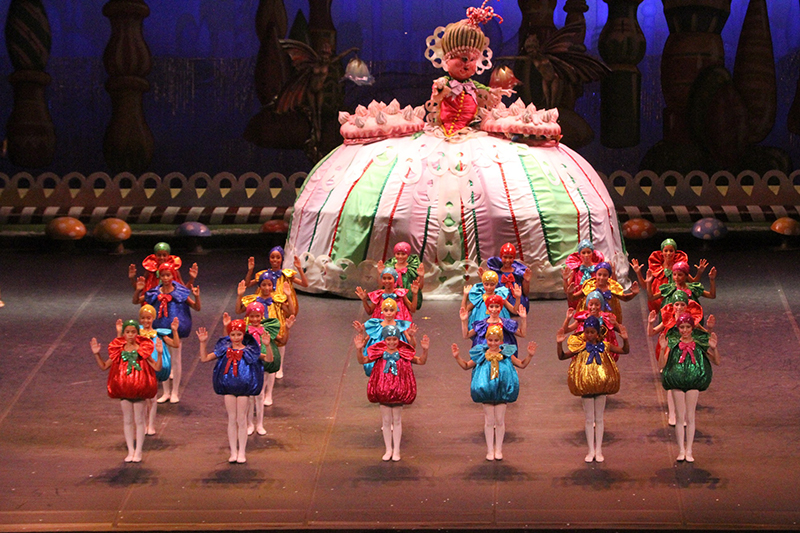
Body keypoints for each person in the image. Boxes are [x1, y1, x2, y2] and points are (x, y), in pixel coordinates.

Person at [451, 326, 536, 460]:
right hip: (487, 390)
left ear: (501, 341)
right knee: (489, 421)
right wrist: (457, 357)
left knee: (500, 421)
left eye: (496, 340)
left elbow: (521, 364)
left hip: (502, 390)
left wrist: (529, 356)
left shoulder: (507, 354)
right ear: (486, 340)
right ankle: (490, 450)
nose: (493, 343)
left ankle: (499, 449)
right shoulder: (481, 354)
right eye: (490, 340)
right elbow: (467, 366)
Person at [557, 316, 629, 462]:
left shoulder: (606, 346)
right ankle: (590, 450)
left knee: (599, 418)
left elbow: (624, 351)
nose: (589, 335)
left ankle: (599, 450)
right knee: (589, 419)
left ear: (597, 333)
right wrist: (559, 344)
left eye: (592, 332)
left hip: (601, 387)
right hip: (586, 387)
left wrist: (625, 339)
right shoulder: (580, 347)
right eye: (587, 332)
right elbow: (562, 356)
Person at [90, 320, 163, 462]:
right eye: (127, 332)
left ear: (137, 333)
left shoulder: (143, 350)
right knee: (128, 420)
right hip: (124, 391)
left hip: (139, 390)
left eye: (133, 332)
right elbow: (105, 366)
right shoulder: (119, 350)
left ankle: (139, 451)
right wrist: (96, 354)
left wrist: (159, 354)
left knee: (140, 420)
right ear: (124, 333)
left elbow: (157, 368)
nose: (130, 335)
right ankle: (130, 450)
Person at [353, 327, 429, 461]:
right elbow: (362, 361)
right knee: (386, 421)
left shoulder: (404, 352)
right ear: (385, 339)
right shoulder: (379, 352)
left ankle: (397, 450)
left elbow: (420, 361)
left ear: (398, 339)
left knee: (397, 420)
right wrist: (359, 349)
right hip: (384, 390)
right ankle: (388, 449)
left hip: (398, 391)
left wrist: (425, 350)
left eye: (394, 339)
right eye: (389, 339)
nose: (392, 342)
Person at [197, 319, 266, 464]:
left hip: (243, 389)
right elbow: (204, 358)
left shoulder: (249, 351)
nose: (236, 338)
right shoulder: (224, 349)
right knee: (231, 419)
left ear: (243, 334)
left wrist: (267, 346)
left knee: (241, 419)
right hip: (228, 387)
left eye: (239, 334)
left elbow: (269, 359)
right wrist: (203, 343)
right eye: (233, 334)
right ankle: (233, 452)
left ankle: (242, 452)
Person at [657, 313, 720, 462]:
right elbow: (661, 364)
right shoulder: (672, 343)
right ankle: (681, 450)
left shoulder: (699, 343)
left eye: (687, 327)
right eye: (682, 327)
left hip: (693, 381)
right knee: (679, 417)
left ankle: (689, 450)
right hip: (677, 381)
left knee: (690, 416)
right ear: (678, 328)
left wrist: (714, 349)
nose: (685, 330)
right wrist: (662, 349)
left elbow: (716, 361)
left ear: (692, 328)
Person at [134, 264, 201, 404]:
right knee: (163, 361)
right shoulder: (154, 293)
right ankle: (165, 392)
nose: (165, 278)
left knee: (176, 360)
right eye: (163, 275)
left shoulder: (180, 292)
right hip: (159, 331)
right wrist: (138, 290)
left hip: (175, 331)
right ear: (159, 276)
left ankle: (175, 392)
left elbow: (196, 307)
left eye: (168, 275)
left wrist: (197, 297)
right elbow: (136, 301)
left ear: (173, 276)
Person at [116, 308, 179, 435]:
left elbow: (175, 344)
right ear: (140, 319)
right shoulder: (136, 334)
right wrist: (119, 332)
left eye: (148, 318)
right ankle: (142, 424)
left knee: (152, 398)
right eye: (143, 318)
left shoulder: (158, 334)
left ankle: (151, 424)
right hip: (139, 369)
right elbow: (120, 344)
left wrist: (175, 331)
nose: (146, 321)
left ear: (153, 319)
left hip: (153, 367)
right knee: (142, 399)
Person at [237, 273, 295, 380]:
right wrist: (240, 295)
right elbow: (238, 310)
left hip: (271, 329)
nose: (266, 288)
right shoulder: (252, 300)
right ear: (259, 285)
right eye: (263, 285)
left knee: (273, 354)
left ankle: (277, 370)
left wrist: (288, 296)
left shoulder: (277, 299)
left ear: (273, 286)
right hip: (255, 332)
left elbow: (291, 312)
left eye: (269, 285)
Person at [630, 239, 706, 313]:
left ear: (675, 252)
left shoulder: (679, 268)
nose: (668, 253)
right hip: (659, 299)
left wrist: (699, 272)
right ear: (661, 253)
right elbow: (644, 285)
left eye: (671, 251)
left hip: (676, 299)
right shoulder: (656, 268)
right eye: (666, 251)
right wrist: (638, 272)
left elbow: (693, 282)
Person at [353, 298, 416, 377]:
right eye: (386, 310)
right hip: (378, 360)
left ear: (396, 311)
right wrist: (361, 332)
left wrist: (412, 336)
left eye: (391, 310)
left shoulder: (400, 326)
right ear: (382, 311)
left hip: (397, 359)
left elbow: (412, 345)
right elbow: (365, 344)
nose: (389, 313)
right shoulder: (376, 326)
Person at [244, 246, 309, 316]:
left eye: (278, 257)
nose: (275, 260)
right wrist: (250, 270)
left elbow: (304, 284)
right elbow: (248, 284)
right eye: (272, 257)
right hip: (266, 300)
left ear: (282, 259)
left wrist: (299, 268)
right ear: (269, 259)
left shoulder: (286, 274)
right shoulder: (264, 274)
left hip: (281, 304)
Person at [569, 262, 638, 324]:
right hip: (591, 318)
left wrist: (634, 294)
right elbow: (573, 298)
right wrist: (569, 293)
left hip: (607, 319)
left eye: (605, 275)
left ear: (609, 276)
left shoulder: (612, 287)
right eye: (599, 274)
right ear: (595, 274)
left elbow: (624, 298)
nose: (601, 278)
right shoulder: (589, 286)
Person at [461, 294, 526, 347]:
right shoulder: (482, 325)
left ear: (501, 307)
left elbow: (522, 334)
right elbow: (466, 335)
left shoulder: (506, 324)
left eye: (497, 306)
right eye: (491, 306)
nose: (494, 309)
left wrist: (523, 318)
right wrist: (464, 321)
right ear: (487, 308)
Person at [129, 242, 198, 292]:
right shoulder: (150, 270)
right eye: (159, 255)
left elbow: (184, 289)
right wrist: (132, 278)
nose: (162, 258)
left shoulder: (174, 270)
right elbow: (139, 289)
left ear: (168, 256)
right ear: (155, 256)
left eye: (164, 255)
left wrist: (192, 278)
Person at [378, 242, 425, 310]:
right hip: (391, 299)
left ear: (408, 254)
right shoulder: (390, 267)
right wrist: (380, 274)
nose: (400, 256)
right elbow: (381, 286)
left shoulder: (412, 269)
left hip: (408, 300)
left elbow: (420, 287)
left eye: (403, 254)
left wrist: (421, 276)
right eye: (398, 254)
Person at [485, 242, 531, 312]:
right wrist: (485, 279)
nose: (507, 260)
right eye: (505, 257)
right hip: (500, 308)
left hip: (518, 305)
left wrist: (526, 281)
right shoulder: (496, 273)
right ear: (501, 257)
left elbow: (526, 293)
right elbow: (490, 291)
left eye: (510, 257)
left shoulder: (518, 273)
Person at [562, 240, 605, 308]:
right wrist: (565, 279)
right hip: (579, 302)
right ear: (579, 254)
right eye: (583, 253)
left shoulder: (598, 269)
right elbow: (567, 290)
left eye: (588, 252)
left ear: (592, 253)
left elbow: (609, 285)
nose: (586, 255)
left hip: (595, 302)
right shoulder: (576, 270)